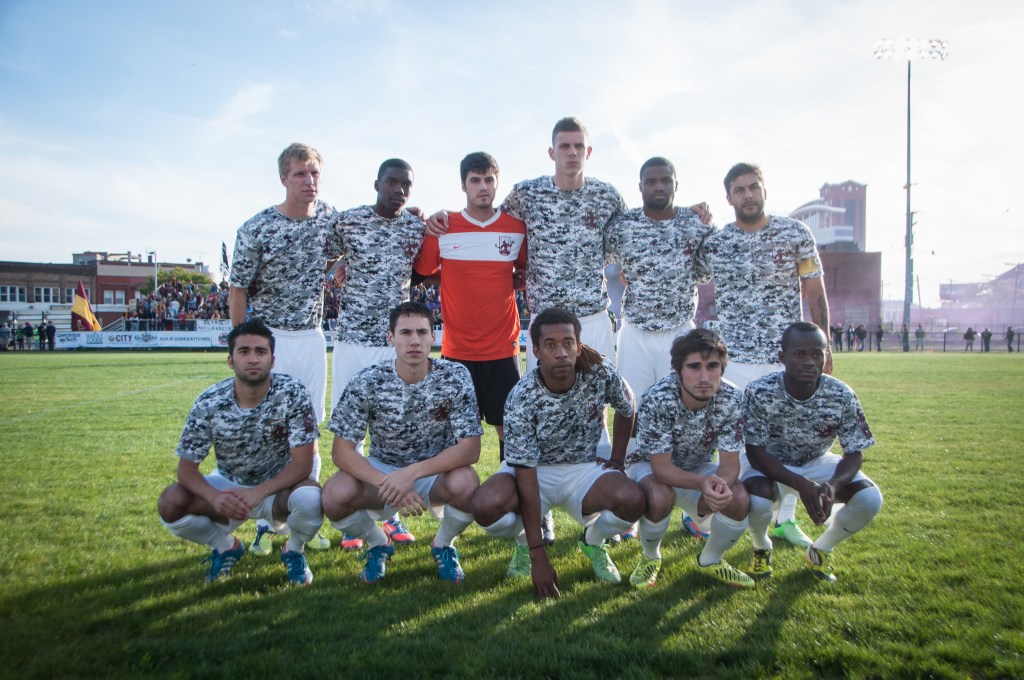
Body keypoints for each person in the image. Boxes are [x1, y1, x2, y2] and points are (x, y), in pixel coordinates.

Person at [699, 162, 832, 548]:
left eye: (753, 187)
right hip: (735, 359)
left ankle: (785, 520)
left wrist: (826, 346)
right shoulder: (717, 243)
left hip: (786, 357)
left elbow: (815, 291)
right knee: (735, 444)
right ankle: (713, 513)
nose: (748, 195)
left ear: (765, 189)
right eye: (739, 190)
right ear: (729, 198)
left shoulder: (794, 233)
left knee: (789, 441)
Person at [470, 307, 644, 598]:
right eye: (551, 345)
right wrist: (539, 556)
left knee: (633, 500)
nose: (561, 352)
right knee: (485, 506)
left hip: (584, 468)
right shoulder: (522, 396)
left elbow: (627, 405)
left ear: (578, 345)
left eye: (567, 343)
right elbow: (526, 476)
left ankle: (593, 540)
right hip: (535, 471)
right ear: (536, 351)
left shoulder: (599, 372)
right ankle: (525, 543)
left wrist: (617, 457)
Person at [321, 303, 482, 584]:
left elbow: (470, 448)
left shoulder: (455, 376)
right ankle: (378, 542)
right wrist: (388, 482)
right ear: (390, 338)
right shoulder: (367, 380)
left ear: (434, 337)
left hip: (435, 471)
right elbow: (341, 451)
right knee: (335, 495)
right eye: (405, 332)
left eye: (422, 332)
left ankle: (443, 545)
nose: (415, 340)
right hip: (382, 469)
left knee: (467, 485)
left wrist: (412, 473)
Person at [228, 142, 337, 554]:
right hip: (270, 338)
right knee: (271, 430)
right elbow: (238, 290)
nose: (309, 182)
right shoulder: (256, 228)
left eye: (314, 174)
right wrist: (245, 345)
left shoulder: (329, 217)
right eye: (299, 174)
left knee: (308, 430)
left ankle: (304, 521)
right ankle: (267, 519)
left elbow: (360, 236)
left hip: (311, 337)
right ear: (283, 178)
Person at [157, 319, 323, 585]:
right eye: (244, 352)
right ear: (230, 361)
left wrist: (259, 491)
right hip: (229, 486)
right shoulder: (209, 401)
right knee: (170, 502)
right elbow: (186, 470)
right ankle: (225, 546)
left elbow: (303, 465)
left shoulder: (292, 393)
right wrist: (215, 497)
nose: (253, 359)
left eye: (261, 351)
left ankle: (294, 550)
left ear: (273, 359)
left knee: (311, 499)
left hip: (278, 489)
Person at [327, 158, 427, 550]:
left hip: (393, 343)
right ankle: (361, 520)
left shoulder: (415, 227)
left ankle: (393, 516)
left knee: (394, 429)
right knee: (351, 433)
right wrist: (339, 265)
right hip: (353, 339)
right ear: (376, 184)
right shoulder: (348, 221)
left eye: (406, 185)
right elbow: (325, 253)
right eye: (391, 182)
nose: (398, 190)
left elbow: (424, 267)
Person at [742, 322, 883, 583]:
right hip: (768, 463)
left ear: (826, 356)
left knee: (870, 499)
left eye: (817, 354)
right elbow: (754, 452)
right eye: (800, 354)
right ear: (782, 358)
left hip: (816, 461)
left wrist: (832, 485)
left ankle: (820, 549)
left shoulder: (841, 393)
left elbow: (854, 453)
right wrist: (800, 484)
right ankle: (761, 547)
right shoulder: (760, 391)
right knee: (757, 499)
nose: (810, 361)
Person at [412, 152, 527, 468]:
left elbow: (527, 270)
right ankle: (454, 501)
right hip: (457, 351)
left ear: (496, 183)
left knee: (511, 430)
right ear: (463, 184)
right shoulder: (444, 226)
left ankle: (517, 500)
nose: (483, 187)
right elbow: (422, 271)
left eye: (489, 180)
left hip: (502, 349)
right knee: (454, 435)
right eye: (475, 180)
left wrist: (510, 281)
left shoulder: (515, 228)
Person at [625, 329, 755, 589]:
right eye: (694, 367)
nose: (705, 377)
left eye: (713, 366)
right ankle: (650, 558)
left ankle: (711, 559)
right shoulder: (657, 397)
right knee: (661, 495)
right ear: (677, 369)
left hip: (698, 465)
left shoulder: (733, 398)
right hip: (648, 465)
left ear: (722, 369)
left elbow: (730, 463)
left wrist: (719, 486)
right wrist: (702, 485)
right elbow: (661, 468)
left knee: (739, 497)